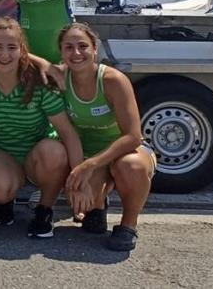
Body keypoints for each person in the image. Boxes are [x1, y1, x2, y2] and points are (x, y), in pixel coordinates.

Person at [0, 17, 84, 239]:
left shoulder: (39, 82)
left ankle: (44, 210)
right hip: (0, 153)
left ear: (22, 50)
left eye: (12, 47)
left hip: (37, 155)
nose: (4, 55)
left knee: (54, 151)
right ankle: (5, 202)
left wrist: (79, 181)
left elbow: (68, 133)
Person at [55, 22, 155, 251]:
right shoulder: (59, 78)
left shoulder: (112, 80)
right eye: (69, 47)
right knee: (86, 209)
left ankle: (128, 226)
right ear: (61, 52)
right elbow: (31, 62)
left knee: (131, 167)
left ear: (94, 50)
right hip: (87, 154)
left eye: (83, 46)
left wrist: (89, 165)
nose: (76, 53)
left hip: (124, 150)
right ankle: (97, 206)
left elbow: (133, 136)